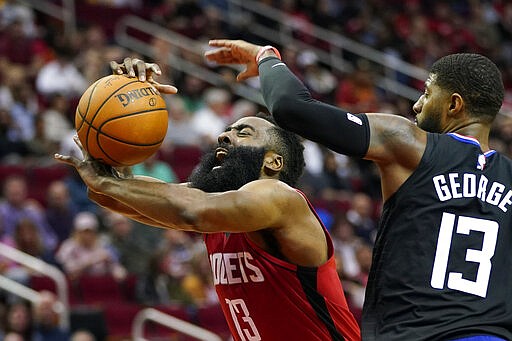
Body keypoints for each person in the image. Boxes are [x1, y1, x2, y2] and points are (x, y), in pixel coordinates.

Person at [204, 40, 511, 340]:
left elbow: (290, 107)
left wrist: (266, 56)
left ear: (454, 105)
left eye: (428, 94)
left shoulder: (409, 142)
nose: (417, 104)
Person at [54, 95, 361, 339]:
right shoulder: (217, 208)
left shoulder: (281, 198)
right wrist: (134, 94)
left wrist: (107, 182)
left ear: (273, 162)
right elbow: (113, 197)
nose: (224, 137)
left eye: (243, 133)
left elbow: (189, 210)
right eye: (226, 130)